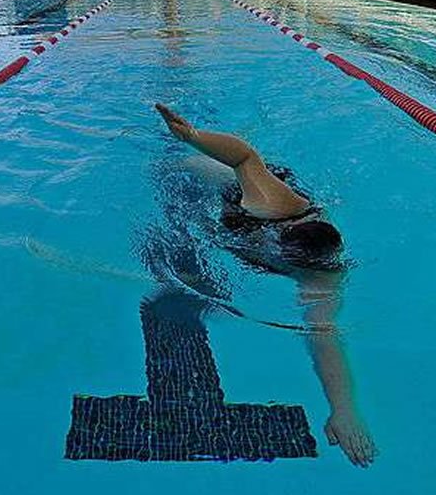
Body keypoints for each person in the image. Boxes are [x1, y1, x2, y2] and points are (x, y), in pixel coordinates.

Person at [153, 103, 376, 467]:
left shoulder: (319, 276)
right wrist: (192, 137)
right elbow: (243, 156)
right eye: (273, 239)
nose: (268, 243)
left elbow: (323, 334)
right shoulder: (277, 205)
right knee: (170, 167)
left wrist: (343, 409)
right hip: (238, 191)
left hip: (246, 227)